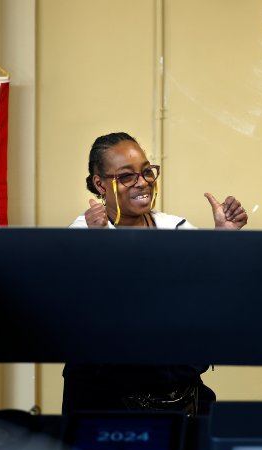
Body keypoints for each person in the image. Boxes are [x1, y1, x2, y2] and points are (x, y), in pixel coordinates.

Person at [63, 132, 248, 415]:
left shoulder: (175, 227)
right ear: (100, 184)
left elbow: (213, 294)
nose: (143, 182)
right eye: (127, 176)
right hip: (107, 399)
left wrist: (224, 240)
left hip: (181, 394)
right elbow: (91, 312)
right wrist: (99, 244)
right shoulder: (82, 234)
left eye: (147, 171)